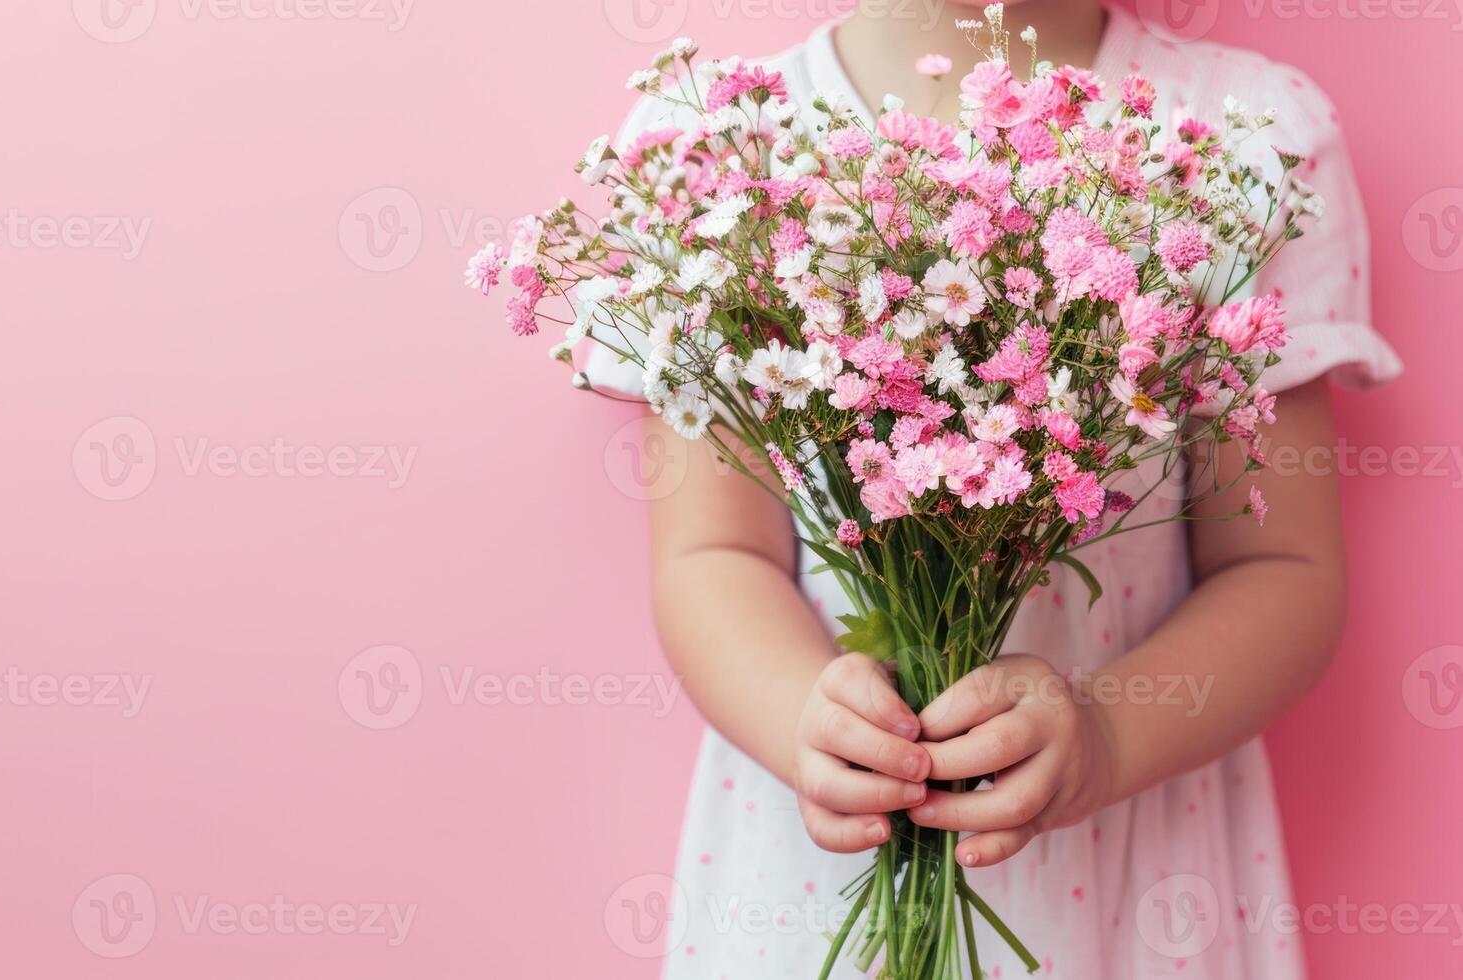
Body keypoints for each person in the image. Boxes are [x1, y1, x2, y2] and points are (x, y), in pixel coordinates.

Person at [589, 2, 1402, 976]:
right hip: (818, 867)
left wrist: (1106, 733)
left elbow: (1282, 565)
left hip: (1133, 879)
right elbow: (710, 552)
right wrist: (805, 714)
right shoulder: (715, 147)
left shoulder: (1243, 136)